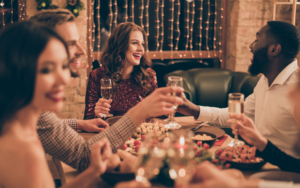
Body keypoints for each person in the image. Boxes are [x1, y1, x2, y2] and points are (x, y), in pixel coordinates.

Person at [0, 21, 112, 188]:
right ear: (16, 73)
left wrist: (92, 173)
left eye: (63, 66)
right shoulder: (21, 150)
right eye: (46, 69)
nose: (63, 79)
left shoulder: (23, 129)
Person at [177, 21, 300, 158]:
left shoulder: (296, 90)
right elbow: (235, 116)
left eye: (257, 40)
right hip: (256, 161)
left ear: (274, 49)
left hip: (284, 175)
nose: (251, 47)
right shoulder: (264, 81)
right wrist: (193, 109)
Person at [84, 22, 157, 119]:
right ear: (120, 45)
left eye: (142, 44)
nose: (141, 49)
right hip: (108, 133)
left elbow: (155, 117)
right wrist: (96, 114)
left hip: (140, 133)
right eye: (135, 43)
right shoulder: (97, 76)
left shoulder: (149, 76)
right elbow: (88, 119)